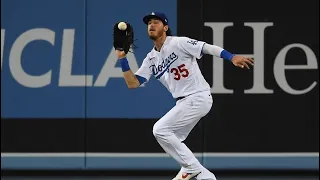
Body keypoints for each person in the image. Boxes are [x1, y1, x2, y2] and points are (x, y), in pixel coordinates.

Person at [115, 12, 254, 180]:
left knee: (160, 130)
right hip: (183, 103)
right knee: (174, 140)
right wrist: (122, 59)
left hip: (197, 97)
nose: (151, 25)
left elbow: (206, 47)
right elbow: (133, 83)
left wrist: (231, 57)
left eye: (156, 22)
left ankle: (193, 168)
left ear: (165, 27)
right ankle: (198, 174)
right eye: (149, 23)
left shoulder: (178, 43)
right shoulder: (150, 59)